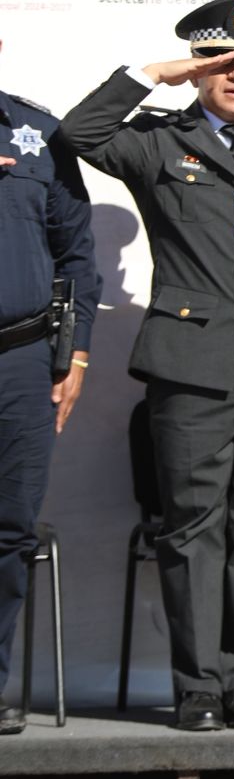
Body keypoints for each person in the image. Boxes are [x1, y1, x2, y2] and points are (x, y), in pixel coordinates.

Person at [59, 0, 234, 732]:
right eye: (222, 62)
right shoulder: (158, 143)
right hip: (191, 367)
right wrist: (155, 74)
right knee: (191, 528)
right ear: (198, 69)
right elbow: (79, 133)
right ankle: (198, 688)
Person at [0, 39, 99, 735]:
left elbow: (76, 253)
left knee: (9, 527)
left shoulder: (35, 132)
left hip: (20, 360)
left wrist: (77, 354)